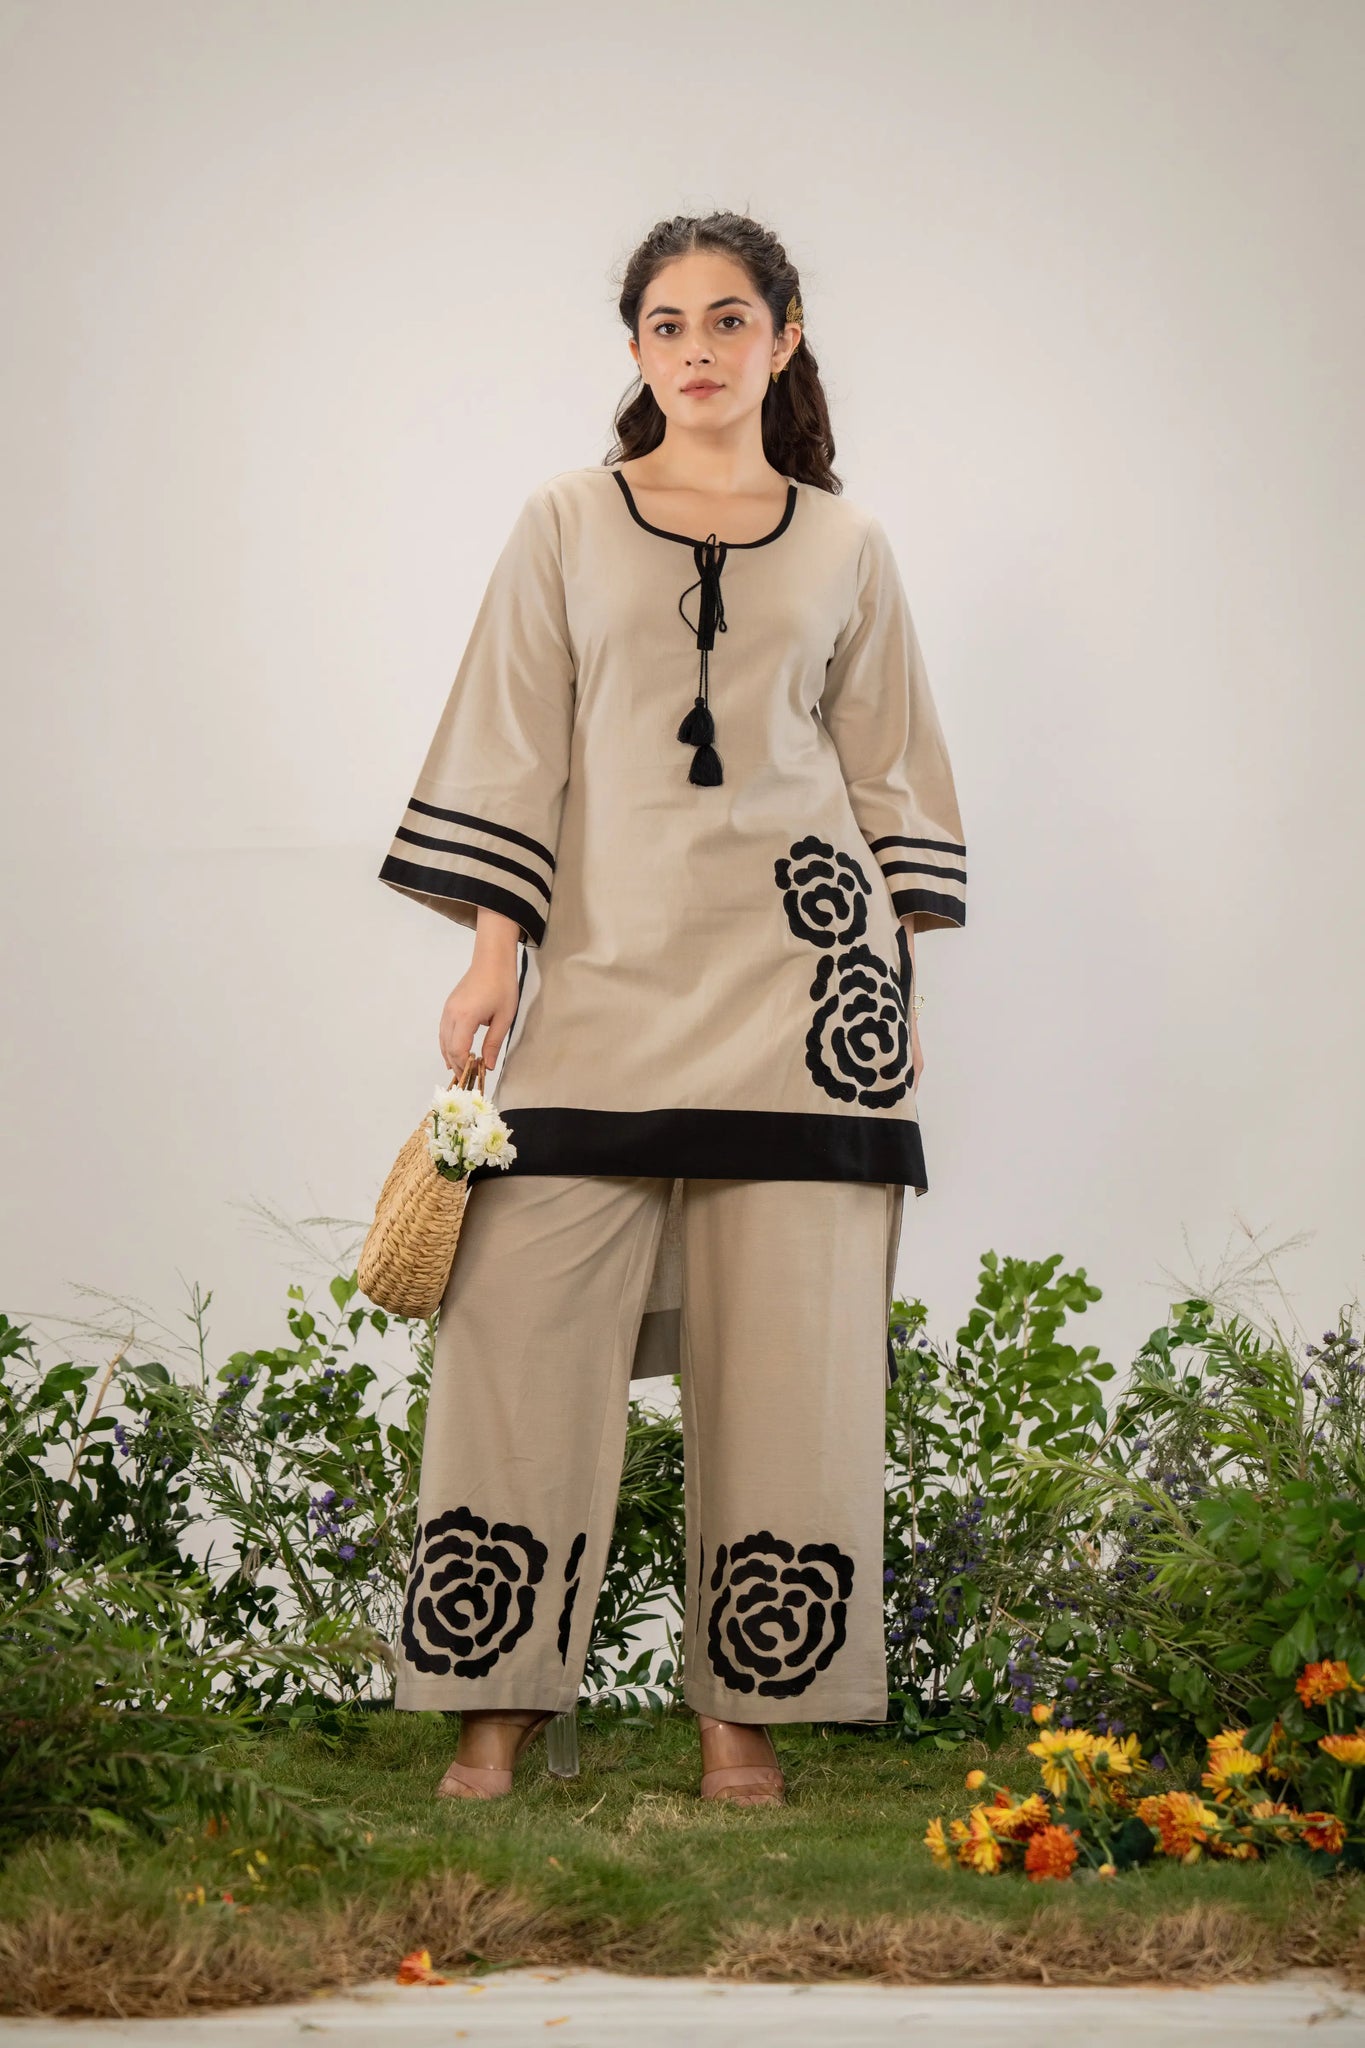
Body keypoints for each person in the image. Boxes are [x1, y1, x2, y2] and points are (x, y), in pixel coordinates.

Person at [376, 210, 967, 1804]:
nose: (695, 350)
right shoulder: (566, 520)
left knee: (791, 1359)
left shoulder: (846, 545)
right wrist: (492, 955)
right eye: (664, 324)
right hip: (600, 979)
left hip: (807, 996)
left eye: (726, 320)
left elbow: (889, 770)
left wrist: (896, 984)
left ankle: (742, 1726)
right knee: (515, 1337)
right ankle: (493, 1711)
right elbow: (514, 742)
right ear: (634, 348)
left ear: (783, 337)